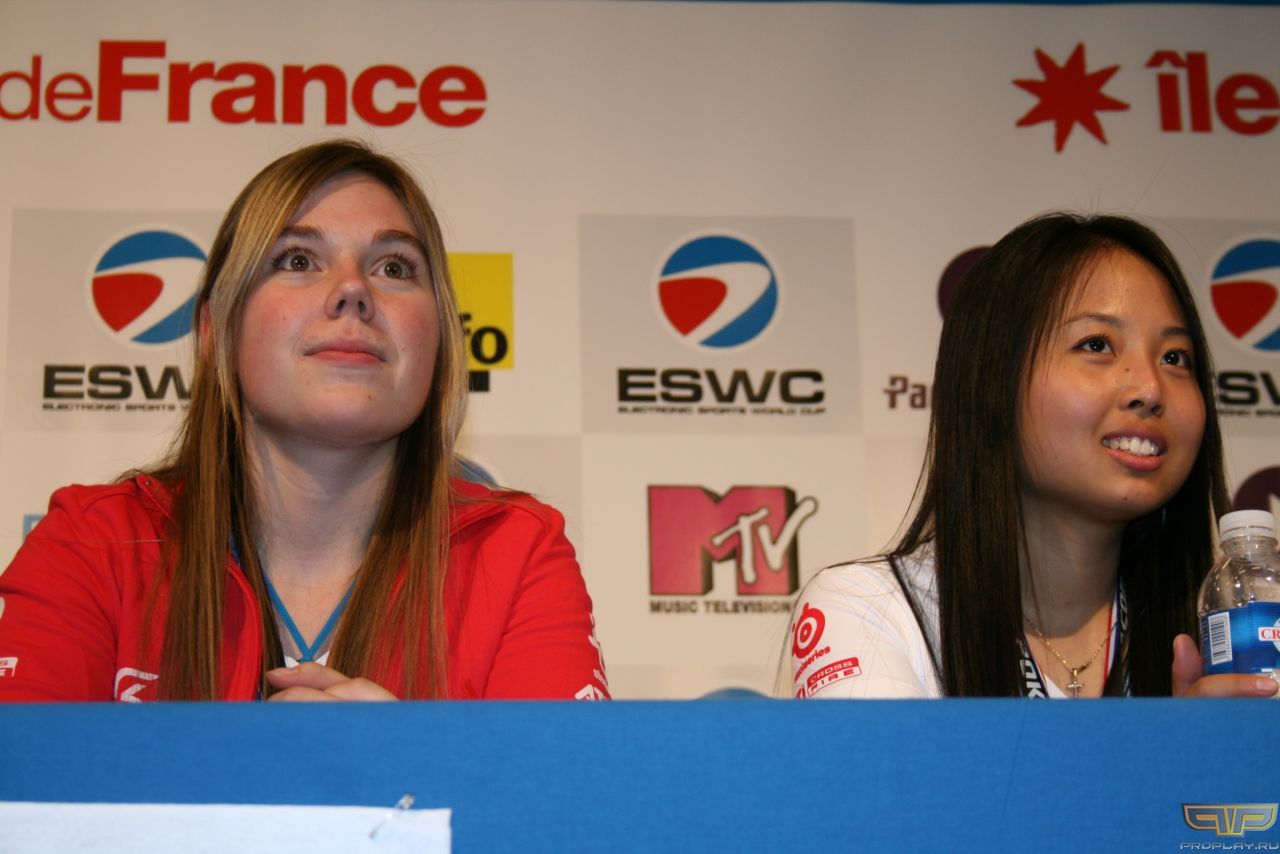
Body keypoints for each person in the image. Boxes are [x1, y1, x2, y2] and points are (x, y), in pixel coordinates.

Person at [0, 139, 609, 702]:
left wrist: (411, 762)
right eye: (297, 259)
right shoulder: (93, 544)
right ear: (216, 330)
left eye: (395, 267)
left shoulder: (516, 552)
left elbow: (566, 786)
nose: (353, 290)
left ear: (442, 342)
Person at [784, 212, 1277, 699]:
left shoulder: (1244, 632)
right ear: (992, 381)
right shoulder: (869, 609)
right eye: (1097, 344)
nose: (1150, 388)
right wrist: (1185, 745)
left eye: (1174, 357)